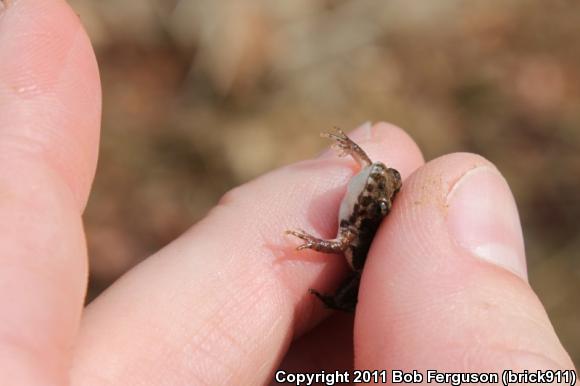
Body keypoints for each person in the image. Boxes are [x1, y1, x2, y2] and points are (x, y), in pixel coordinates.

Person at [0, 0, 575, 384]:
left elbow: (350, 237)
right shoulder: (372, 183)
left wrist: (317, 237)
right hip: (371, 205)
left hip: (371, 224)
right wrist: (349, 156)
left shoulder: (366, 224)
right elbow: (371, 178)